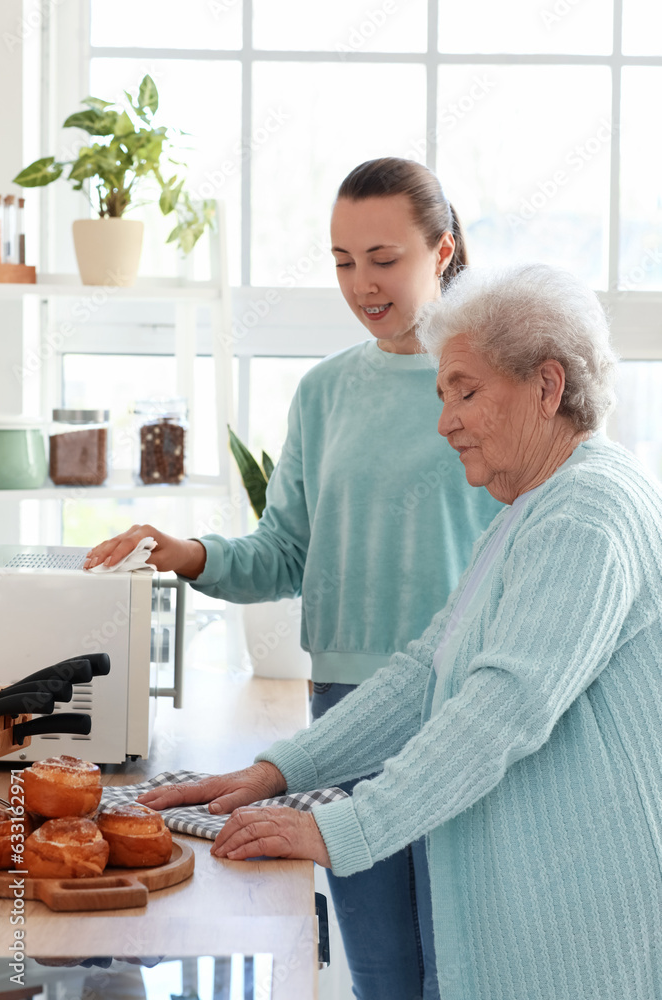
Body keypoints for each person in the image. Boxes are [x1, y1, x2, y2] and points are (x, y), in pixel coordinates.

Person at [141, 263, 662, 1000]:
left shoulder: (586, 514)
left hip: (579, 932)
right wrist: (276, 772)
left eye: (466, 391)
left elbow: (499, 708)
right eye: (442, 394)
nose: (445, 420)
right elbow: (426, 671)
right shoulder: (532, 509)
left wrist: (344, 828)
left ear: (547, 387)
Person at [84, 158, 503, 1000]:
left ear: (442, 248)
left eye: (383, 258)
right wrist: (188, 551)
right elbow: (283, 552)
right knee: (381, 972)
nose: (362, 283)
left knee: (463, 966)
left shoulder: (489, 385)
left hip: (457, 708)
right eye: (343, 260)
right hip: (341, 713)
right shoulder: (323, 392)